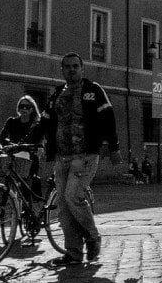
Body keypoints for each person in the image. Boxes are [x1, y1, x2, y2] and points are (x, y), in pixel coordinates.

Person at [32, 53, 121, 266]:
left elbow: (108, 118)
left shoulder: (93, 90)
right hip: (61, 158)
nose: (71, 70)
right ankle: (73, 253)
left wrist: (114, 147)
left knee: (72, 196)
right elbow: (43, 124)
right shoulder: (56, 95)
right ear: (62, 70)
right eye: (67, 67)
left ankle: (92, 237)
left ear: (82, 69)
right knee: (63, 205)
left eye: (75, 66)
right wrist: (24, 142)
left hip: (86, 155)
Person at [0, 95, 43, 199]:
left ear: (32, 109)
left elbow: (39, 141)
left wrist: (39, 147)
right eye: (22, 106)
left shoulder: (36, 125)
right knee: (7, 182)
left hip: (28, 160)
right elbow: (1, 138)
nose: (24, 109)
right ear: (18, 108)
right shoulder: (11, 122)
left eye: (27, 107)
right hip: (13, 157)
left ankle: (26, 211)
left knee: (25, 190)